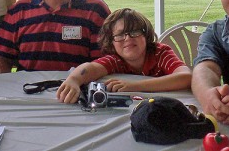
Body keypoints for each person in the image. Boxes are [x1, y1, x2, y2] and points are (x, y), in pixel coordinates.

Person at [56, 8, 192, 104]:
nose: (128, 39)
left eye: (134, 32)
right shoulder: (116, 60)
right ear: (111, 42)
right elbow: (90, 68)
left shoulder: (160, 53)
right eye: (120, 35)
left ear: (146, 35)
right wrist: (74, 80)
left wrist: (135, 86)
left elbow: (186, 77)